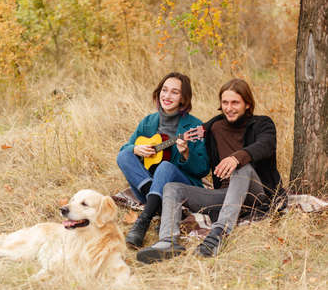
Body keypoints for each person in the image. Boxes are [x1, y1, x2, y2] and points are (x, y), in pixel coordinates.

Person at [136, 78, 286, 263]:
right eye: (225, 103)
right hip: (224, 196)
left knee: (242, 167)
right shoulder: (214, 126)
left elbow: (265, 145)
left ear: (247, 104)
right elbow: (194, 134)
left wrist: (236, 157)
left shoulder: (263, 124)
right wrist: (185, 151)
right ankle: (168, 241)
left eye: (235, 103)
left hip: (257, 194)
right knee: (173, 188)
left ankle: (218, 234)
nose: (229, 108)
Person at [117, 72, 209, 248]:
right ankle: (159, 207)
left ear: (183, 98)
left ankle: (144, 220)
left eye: (174, 92)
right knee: (124, 155)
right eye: (164, 90)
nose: (167, 96)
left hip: (180, 189)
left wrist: (186, 154)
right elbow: (125, 149)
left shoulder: (194, 127)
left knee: (165, 166)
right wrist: (135, 149)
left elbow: (203, 169)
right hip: (150, 189)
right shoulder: (149, 122)